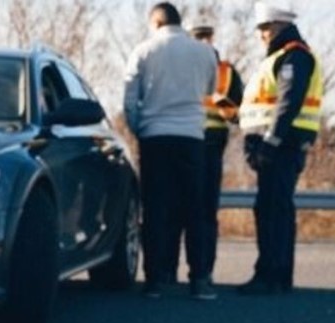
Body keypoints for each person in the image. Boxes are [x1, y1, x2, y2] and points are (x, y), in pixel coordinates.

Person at [124, 3, 218, 299]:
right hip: (191, 137)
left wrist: (139, 129)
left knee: (155, 209)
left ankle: (155, 280)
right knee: (195, 209)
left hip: (155, 136)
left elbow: (130, 100)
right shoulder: (204, 52)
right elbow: (210, 89)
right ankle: (199, 279)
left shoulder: (143, 51)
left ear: (156, 22)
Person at [238, 2, 323, 295]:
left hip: (281, 145)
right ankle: (277, 275)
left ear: (279, 25)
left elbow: (288, 102)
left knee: (272, 209)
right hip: (280, 143)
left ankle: (270, 276)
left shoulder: (293, 56)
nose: (261, 34)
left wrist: (270, 142)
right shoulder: (282, 56)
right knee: (275, 208)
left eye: (265, 27)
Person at [191, 24, 244, 288]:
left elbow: (239, 113)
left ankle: (201, 271)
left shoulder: (227, 71)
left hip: (209, 140)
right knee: (193, 210)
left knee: (203, 210)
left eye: (206, 39)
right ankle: (194, 272)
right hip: (190, 139)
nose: (204, 44)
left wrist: (226, 108)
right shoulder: (185, 66)